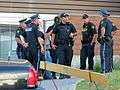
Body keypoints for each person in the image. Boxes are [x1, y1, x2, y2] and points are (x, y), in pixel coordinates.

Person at [51, 13, 77, 79]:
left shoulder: (70, 25)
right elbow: (53, 34)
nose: (67, 18)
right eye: (65, 17)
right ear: (62, 18)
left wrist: (73, 35)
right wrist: (52, 44)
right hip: (60, 45)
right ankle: (61, 74)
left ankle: (67, 74)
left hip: (68, 45)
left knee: (68, 59)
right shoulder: (57, 26)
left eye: (67, 17)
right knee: (61, 60)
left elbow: (75, 32)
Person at [97, 8, 113, 73]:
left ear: (102, 14)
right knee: (109, 55)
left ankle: (104, 70)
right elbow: (114, 31)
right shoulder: (110, 22)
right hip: (110, 40)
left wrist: (102, 36)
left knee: (104, 55)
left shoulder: (103, 21)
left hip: (105, 41)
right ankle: (109, 70)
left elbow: (103, 28)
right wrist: (109, 36)